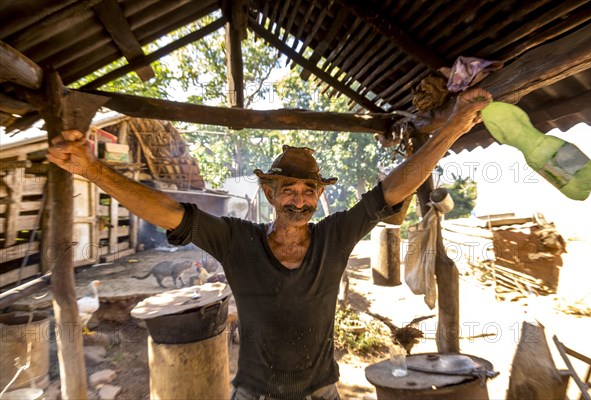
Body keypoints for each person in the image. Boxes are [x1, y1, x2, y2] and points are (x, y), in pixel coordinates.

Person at [47, 88, 492, 399]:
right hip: (254, 394)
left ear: (318, 197)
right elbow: (168, 211)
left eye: (307, 191)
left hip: (323, 392)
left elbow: (392, 190)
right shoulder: (237, 240)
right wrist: (93, 170)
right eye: (288, 190)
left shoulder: (334, 235)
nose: (298, 200)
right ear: (270, 194)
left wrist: (449, 130)